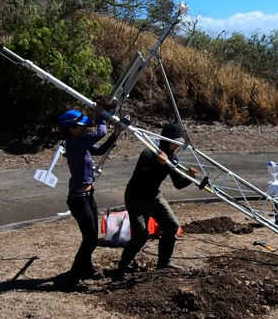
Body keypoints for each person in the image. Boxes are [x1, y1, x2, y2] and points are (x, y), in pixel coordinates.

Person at [113, 123, 198, 280]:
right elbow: (141, 180)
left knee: (172, 227)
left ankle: (164, 262)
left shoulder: (171, 158)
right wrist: (159, 165)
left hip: (154, 197)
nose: (177, 146)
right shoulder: (149, 153)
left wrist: (189, 177)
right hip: (136, 198)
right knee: (140, 236)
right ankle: (123, 265)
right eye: (175, 142)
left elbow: (178, 184)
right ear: (167, 140)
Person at [57, 103, 121, 289]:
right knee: (90, 239)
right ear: (72, 129)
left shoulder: (80, 143)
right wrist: (99, 116)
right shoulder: (75, 144)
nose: (86, 127)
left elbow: (100, 149)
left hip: (88, 195)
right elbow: (100, 133)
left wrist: (115, 136)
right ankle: (73, 277)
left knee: (91, 236)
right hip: (79, 198)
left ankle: (86, 268)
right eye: (82, 125)